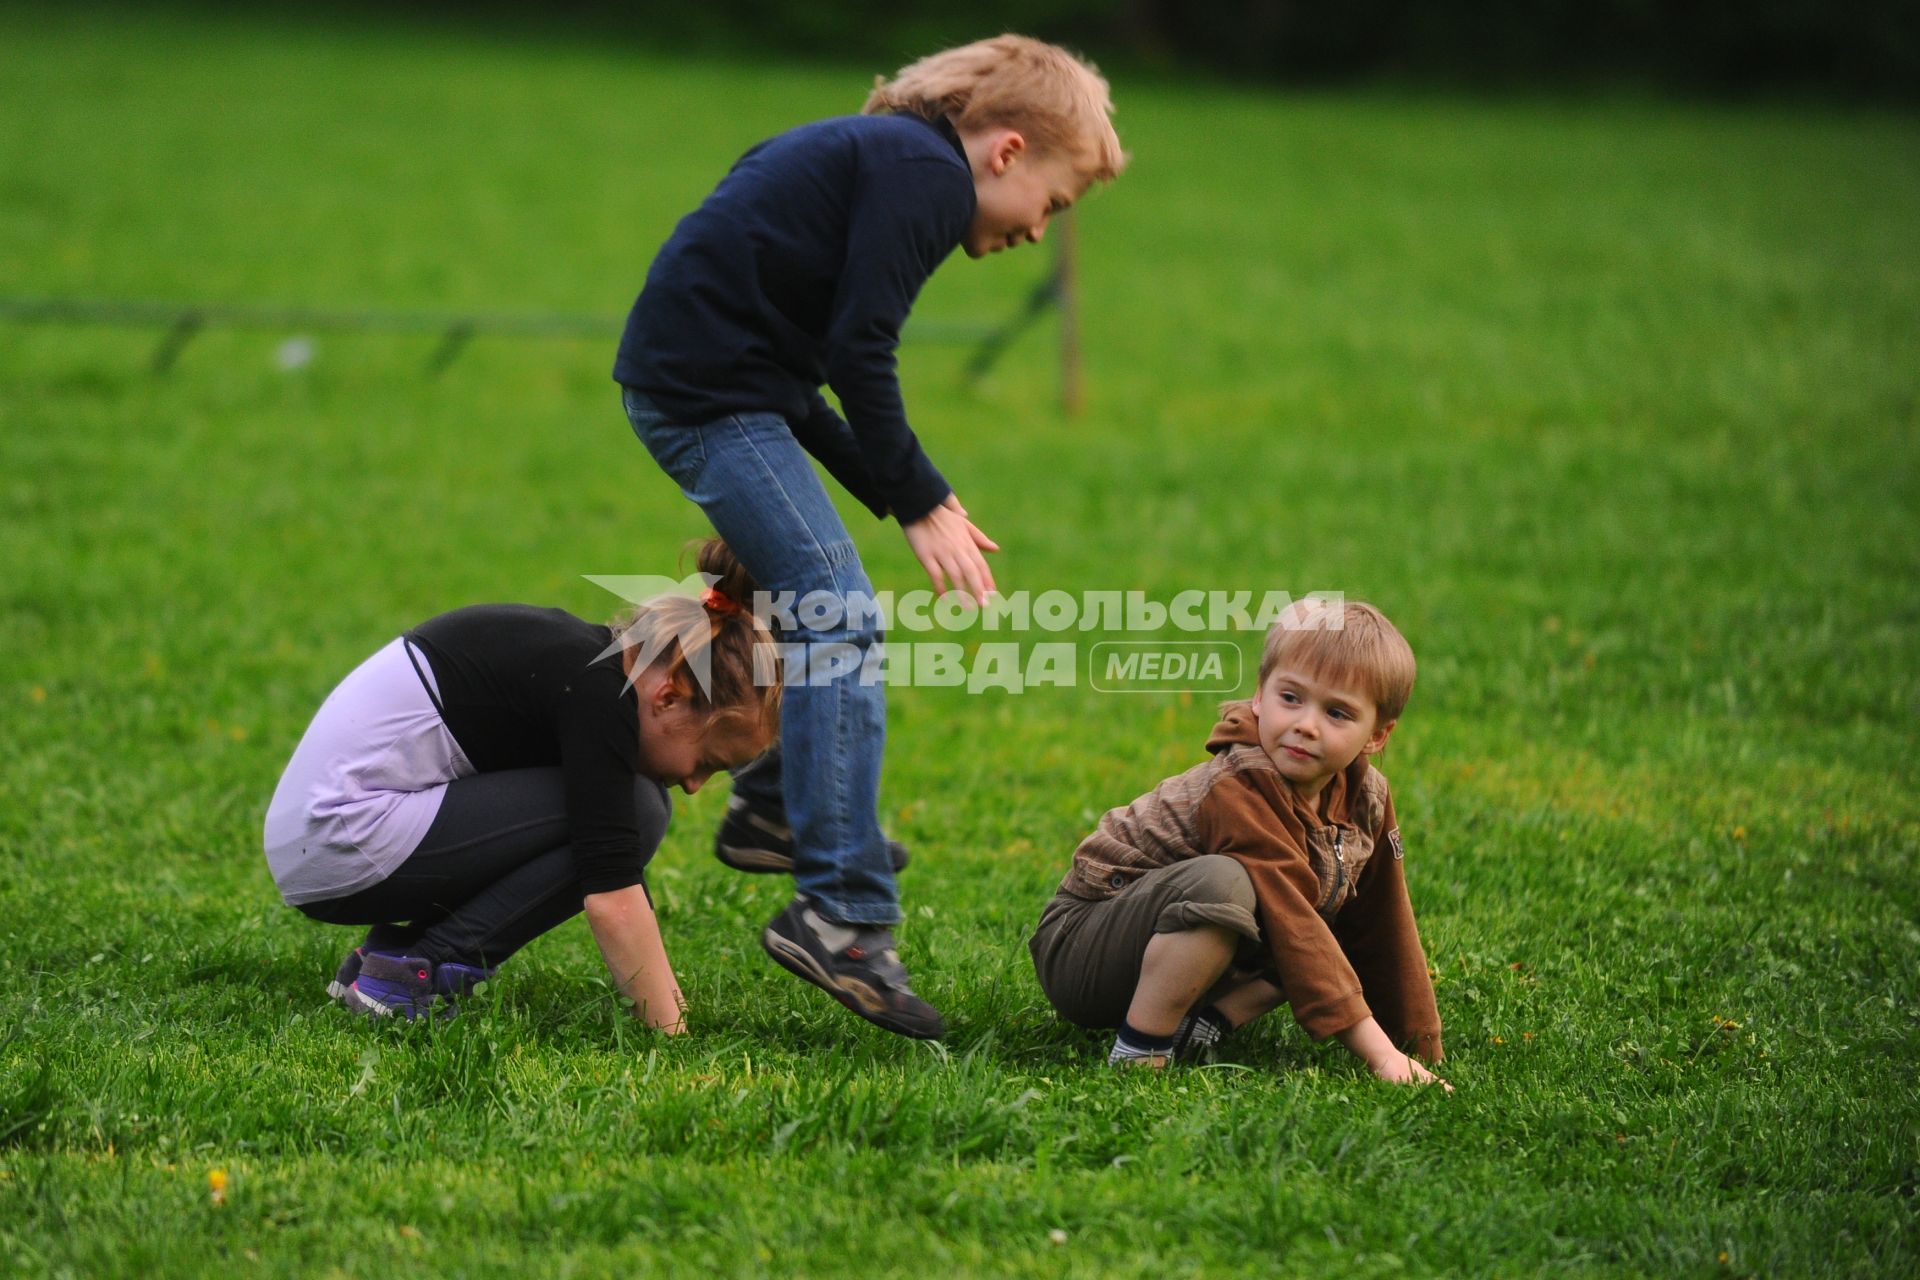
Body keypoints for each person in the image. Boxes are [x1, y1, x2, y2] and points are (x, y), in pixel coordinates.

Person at [614, 36, 1128, 1039]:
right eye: (1055, 205)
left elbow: (799, 382)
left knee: (816, 602)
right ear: (1008, 151)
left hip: (712, 387)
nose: (1040, 231)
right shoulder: (926, 177)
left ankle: (771, 806)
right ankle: (841, 915)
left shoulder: (877, 157)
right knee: (839, 620)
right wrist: (919, 495)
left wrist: (907, 496)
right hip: (710, 398)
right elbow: (861, 351)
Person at [262, 539, 780, 1028]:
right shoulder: (599, 695)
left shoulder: (585, 664)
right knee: (641, 809)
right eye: (707, 760)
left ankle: (393, 957)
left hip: (325, 842)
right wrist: (673, 1032)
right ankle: (415, 973)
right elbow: (612, 894)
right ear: (668, 696)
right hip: (341, 842)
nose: (694, 785)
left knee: (636, 807)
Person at [1028, 599, 1448, 1085]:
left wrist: (1418, 1045)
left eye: (1336, 713)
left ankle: (1209, 1021)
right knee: (1227, 883)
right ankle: (1140, 1053)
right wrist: (1380, 1057)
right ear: (1258, 696)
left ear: (1377, 735)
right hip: (1085, 949)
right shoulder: (1239, 784)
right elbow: (1292, 918)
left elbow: (1382, 918)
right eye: (1290, 698)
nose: (1305, 725)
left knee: (1320, 919)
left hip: (1183, 952)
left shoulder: (1366, 796)